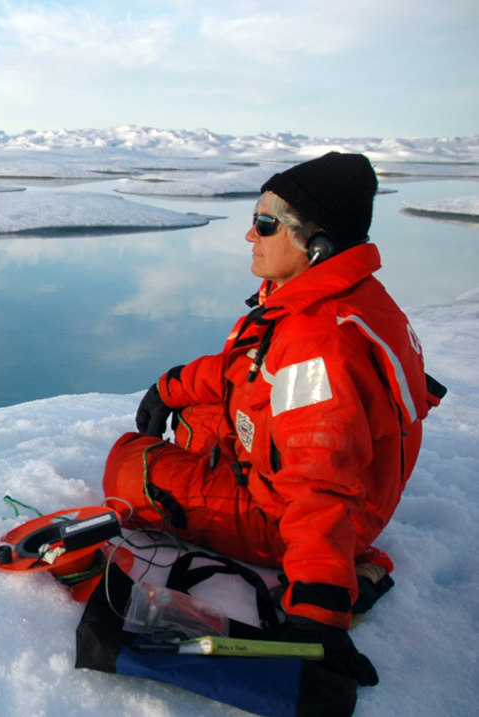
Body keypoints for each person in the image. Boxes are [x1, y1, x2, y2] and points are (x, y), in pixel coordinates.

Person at [100, 152, 445, 687]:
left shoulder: (317, 346)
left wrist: (318, 611)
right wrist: (171, 385)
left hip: (302, 517)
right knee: (194, 417)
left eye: (265, 225)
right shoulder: (329, 296)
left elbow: (318, 482)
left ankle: (349, 571)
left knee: (128, 467)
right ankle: (332, 556)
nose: (249, 237)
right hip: (341, 482)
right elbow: (248, 370)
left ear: (317, 243)